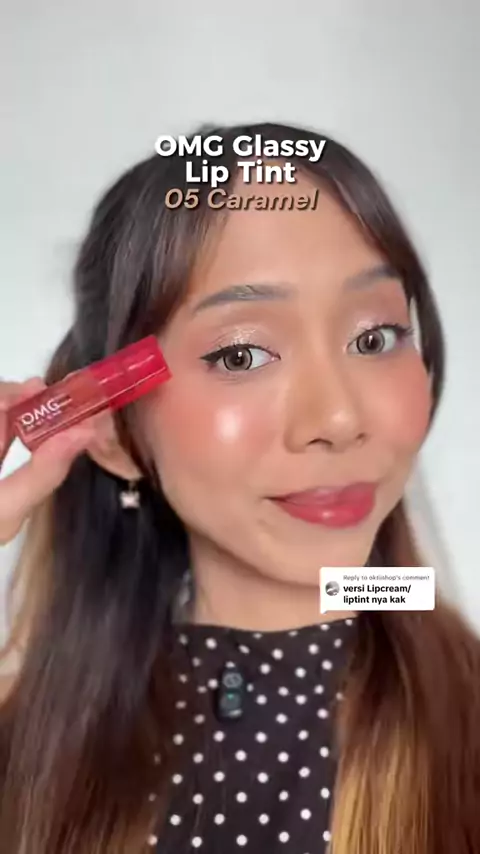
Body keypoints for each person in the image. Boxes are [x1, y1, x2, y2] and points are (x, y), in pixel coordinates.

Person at [0, 121, 479, 854]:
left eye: (375, 337)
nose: (338, 419)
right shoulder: (23, 754)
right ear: (113, 432)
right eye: (241, 354)